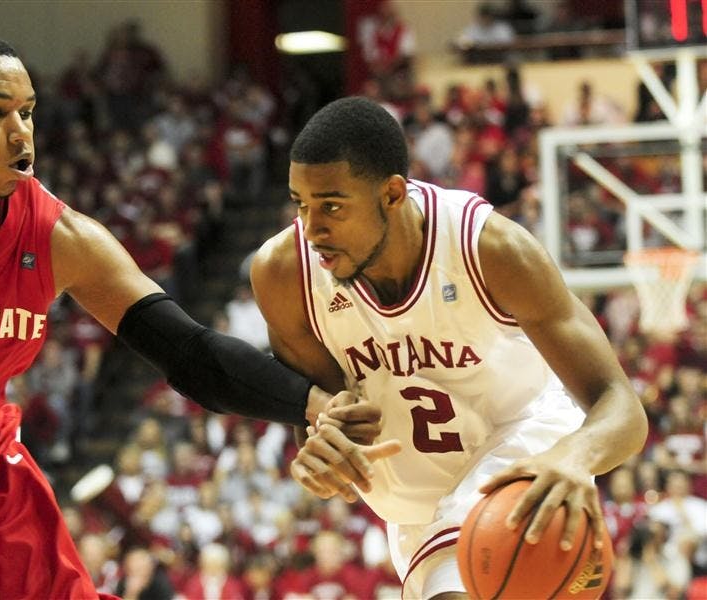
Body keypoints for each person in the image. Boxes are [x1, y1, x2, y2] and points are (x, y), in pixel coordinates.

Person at [0, 32, 386, 599]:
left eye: (27, 112)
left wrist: (313, 404)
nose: (20, 132)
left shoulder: (59, 237)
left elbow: (188, 352)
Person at [248, 97, 648, 599]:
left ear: (392, 194)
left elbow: (622, 407)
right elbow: (326, 411)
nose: (312, 229)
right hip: (413, 505)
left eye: (331, 206)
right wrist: (326, 449)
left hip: (521, 454)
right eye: (301, 204)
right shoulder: (284, 274)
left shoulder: (490, 249)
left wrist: (575, 455)